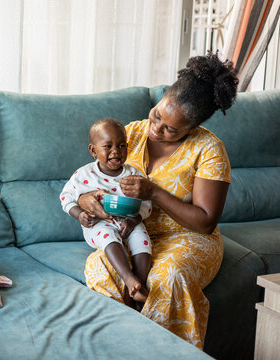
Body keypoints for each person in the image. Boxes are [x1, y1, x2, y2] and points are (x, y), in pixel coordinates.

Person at [77, 52, 238, 349]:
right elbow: (95, 177)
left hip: (188, 239)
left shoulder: (209, 149)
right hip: (134, 234)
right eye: (157, 115)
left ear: (192, 129)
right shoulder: (133, 133)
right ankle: (119, 349)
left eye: (170, 129)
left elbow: (205, 222)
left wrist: (154, 193)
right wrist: (86, 199)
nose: (156, 129)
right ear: (162, 98)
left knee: (168, 277)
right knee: (101, 267)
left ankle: (159, 353)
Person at [60, 118, 152, 306]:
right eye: (107, 146)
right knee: (108, 234)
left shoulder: (134, 174)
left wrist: (134, 221)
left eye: (121, 146)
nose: (115, 151)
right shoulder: (84, 175)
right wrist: (79, 214)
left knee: (142, 239)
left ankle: (139, 286)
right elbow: (65, 197)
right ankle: (128, 279)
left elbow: (147, 203)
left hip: (128, 221)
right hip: (98, 224)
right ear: (93, 150)